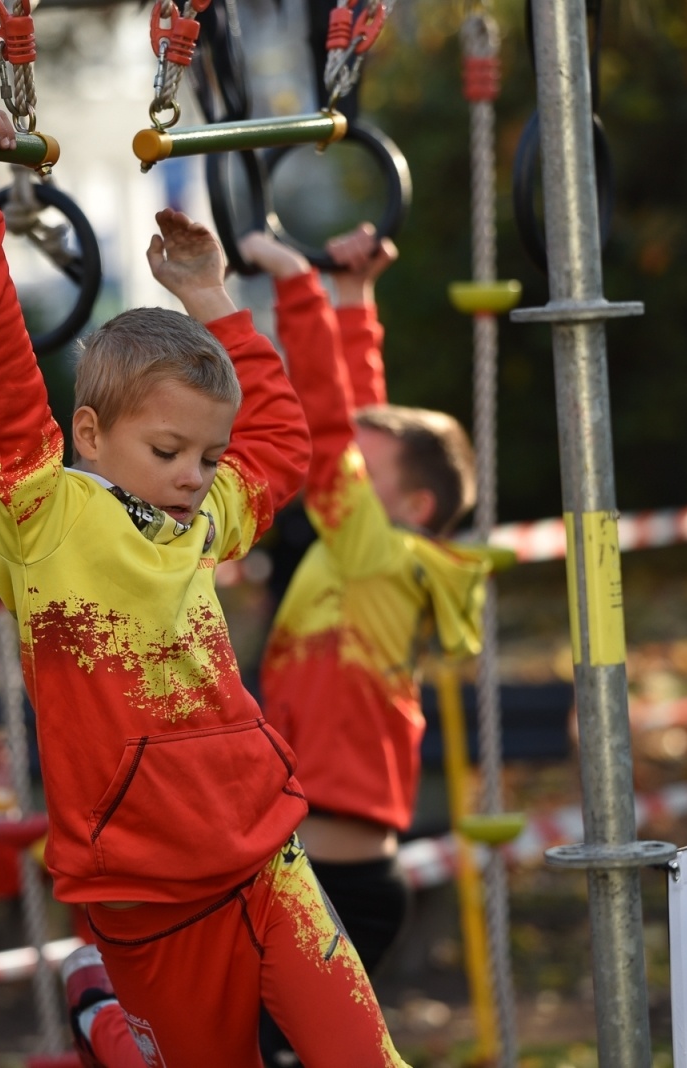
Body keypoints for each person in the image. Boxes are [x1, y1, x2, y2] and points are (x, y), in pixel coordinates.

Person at [0, 105, 412, 1068]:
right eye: (168, 450)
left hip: (266, 855)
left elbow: (279, 446)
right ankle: (105, 1017)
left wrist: (213, 296)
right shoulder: (45, 514)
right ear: (92, 433)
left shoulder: (197, 521)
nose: (196, 474)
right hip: (145, 889)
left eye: (205, 453)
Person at [240, 226, 492, 1067]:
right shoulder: (366, 551)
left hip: (336, 890)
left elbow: (325, 427)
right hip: (306, 876)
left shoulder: (383, 564)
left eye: (359, 469)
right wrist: (354, 296)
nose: (340, 467)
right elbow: (357, 418)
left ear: (413, 507)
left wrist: (296, 286)